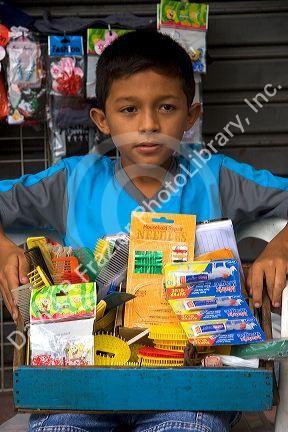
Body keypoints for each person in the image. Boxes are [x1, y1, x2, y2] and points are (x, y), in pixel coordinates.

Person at [0, 30, 287, 432]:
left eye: (166, 107)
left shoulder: (215, 178)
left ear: (191, 115)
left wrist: (280, 248)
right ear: (102, 119)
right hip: (82, 389)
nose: (149, 125)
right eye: (129, 110)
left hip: (192, 391)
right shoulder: (72, 181)